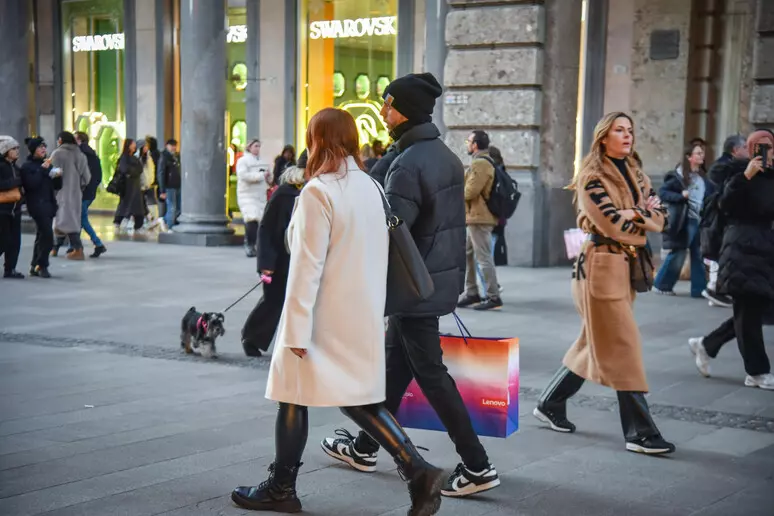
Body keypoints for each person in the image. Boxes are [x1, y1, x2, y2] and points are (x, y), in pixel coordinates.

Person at [231, 108, 444, 516]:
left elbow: (306, 267)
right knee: (358, 399)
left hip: (320, 316)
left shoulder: (318, 191)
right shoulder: (370, 186)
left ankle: (281, 487)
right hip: (360, 312)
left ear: (318, 140)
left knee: (292, 395)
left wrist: (293, 332)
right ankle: (417, 471)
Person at [321, 73, 499, 498]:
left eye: (388, 104)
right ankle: (365, 446)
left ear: (407, 110)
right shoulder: (443, 156)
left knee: (431, 374)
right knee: (396, 368)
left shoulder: (407, 163)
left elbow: (385, 231)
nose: (382, 111)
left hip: (412, 287)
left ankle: (477, 465)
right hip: (433, 281)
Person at [533, 112, 676, 455]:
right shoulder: (592, 177)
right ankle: (640, 432)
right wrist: (638, 214)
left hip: (625, 267)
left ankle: (550, 403)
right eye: (619, 130)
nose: (627, 136)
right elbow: (610, 223)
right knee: (623, 345)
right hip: (599, 266)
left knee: (592, 342)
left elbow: (663, 217)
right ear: (603, 137)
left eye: (631, 130)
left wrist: (635, 214)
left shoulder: (637, 174)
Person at [688, 129, 774, 390]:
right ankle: (757, 372)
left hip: (766, 250)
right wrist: (746, 176)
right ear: (749, 149)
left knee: (754, 311)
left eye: (769, 145)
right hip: (741, 249)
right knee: (748, 312)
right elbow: (725, 206)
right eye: (758, 146)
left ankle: (707, 344)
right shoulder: (736, 173)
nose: (764, 150)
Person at [241, 150, 308, 358]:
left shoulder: (317, 192)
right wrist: (266, 263)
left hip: (305, 258)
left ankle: (297, 342)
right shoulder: (285, 193)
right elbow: (267, 229)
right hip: (281, 259)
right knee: (274, 300)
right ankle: (252, 337)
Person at [653, 142, 715, 297]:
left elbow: (709, 196)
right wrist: (681, 196)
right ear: (689, 157)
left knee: (698, 254)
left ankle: (699, 289)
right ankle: (662, 284)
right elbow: (663, 193)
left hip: (698, 220)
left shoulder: (702, 178)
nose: (702, 156)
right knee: (679, 252)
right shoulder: (677, 177)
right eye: (698, 153)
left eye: (702, 153)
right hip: (684, 220)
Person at [457, 130, 503, 311]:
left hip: (479, 218)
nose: (467, 144)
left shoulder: (480, 164)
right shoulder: (481, 162)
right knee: (468, 254)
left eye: (468, 141)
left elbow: (470, 191)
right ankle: (472, 293)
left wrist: (456, 192)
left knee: (483, 258)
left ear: (475, 144)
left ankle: (493, 296)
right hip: (475, 217)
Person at [702, 134, 748, 308]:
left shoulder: (727, 166)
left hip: (722, 218)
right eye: (745, 148)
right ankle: (714, 288)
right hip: (718, 218)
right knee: (718, 252)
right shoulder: (723, 167)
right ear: (735, 150)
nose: (748, 152)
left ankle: (718, 289)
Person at [20, 137, 60, 278]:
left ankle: (34, 265)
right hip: (37, 205)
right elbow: (31, 185)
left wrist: (57, 176)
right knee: (47, 236)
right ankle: (42, 265)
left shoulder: (46, 164)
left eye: (44, 147)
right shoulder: (27, 167)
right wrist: (43, 171)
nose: (43, 149)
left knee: (41, 235)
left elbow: (56, 186)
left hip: (49, 204)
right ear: (33, 150)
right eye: (40, 147)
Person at [50, 131, 90, 260]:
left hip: (61, 193)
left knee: (63, 221)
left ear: (60, 140)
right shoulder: (80, 155)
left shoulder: (57, 154)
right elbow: (87, 177)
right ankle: (55, 248)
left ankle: (78, 250)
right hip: (76, 193)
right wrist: (78, 186)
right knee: (66, 221)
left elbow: (52, 174)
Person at [236, 139, 271, 258]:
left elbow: (269, 178)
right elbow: (243, 175)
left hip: (260, 196)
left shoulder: (262, 161)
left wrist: (269, 178)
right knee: (251, 218)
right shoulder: (243, 161)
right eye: (255, 146)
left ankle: (258, 245)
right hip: (247, 195)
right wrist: (260, 176)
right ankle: (249, 244)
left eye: (259, 146)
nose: (257, 148)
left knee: (260, 220)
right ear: (249, 147)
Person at [75, 132, 106, 257]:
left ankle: (98, 244)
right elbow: (99, 176)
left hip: (81, 191)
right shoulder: (93, 154)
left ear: (79, 140)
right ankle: (75, 246)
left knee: (81, 219)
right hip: (90, 192)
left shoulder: (79, 154)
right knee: (79, 219)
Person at [0, 136, 24, 279]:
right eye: (13, 149)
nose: (16, 151)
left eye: (17, 148)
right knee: (3, 241)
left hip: (15, 209)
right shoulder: (1, 166)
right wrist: (16, 182)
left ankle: (10, 269)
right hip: (3, 210)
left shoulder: (15, 166)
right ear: (5, 150)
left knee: (15, 241)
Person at [114, 139, 145, 234]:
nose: (134, 146)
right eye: (133, 144)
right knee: (127, 203)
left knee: (137, 205)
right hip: (128, 185)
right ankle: (119, 220)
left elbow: (140, 169)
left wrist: (134, 171)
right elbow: (124, 169)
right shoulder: (125, 157)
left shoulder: (134, 157)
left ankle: (138, 223)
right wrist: (133, 171)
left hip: (135, 184)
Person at [158, 139, 181, 230]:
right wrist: (162, 190)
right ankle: (170, 226)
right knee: (172, 207)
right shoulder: (164, 156)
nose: (174, 147)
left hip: (177, 185)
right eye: (172, 145)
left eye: (175, 145)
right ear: (167, 146)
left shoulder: (176, 156)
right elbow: (161, 173)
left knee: (178, 207)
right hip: (169, 186)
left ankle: (165, 221)